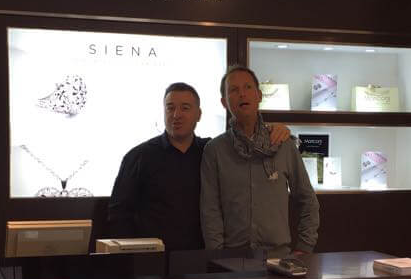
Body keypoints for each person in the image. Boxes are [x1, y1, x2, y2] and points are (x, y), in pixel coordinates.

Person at [107, 82, 291, 250]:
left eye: (185, 108)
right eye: (170, 108)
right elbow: (118, 213)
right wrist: (132, 258)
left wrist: (275, 129)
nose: (176, 115)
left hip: (205, 259)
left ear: (199, 114)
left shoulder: (212, 151)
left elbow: (247, 143)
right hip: (153, 262)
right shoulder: (139, 156)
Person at [200, 66, 319, 258]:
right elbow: (210, 210)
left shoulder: (283, 144)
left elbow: (308, 200)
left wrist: (304, 247)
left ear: (259, 95)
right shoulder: (215, 150)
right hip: (231, 261)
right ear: (224, 102)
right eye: (234, 90)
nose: (242, 94)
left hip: (279, 258)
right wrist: (217, 256)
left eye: (247, 87)